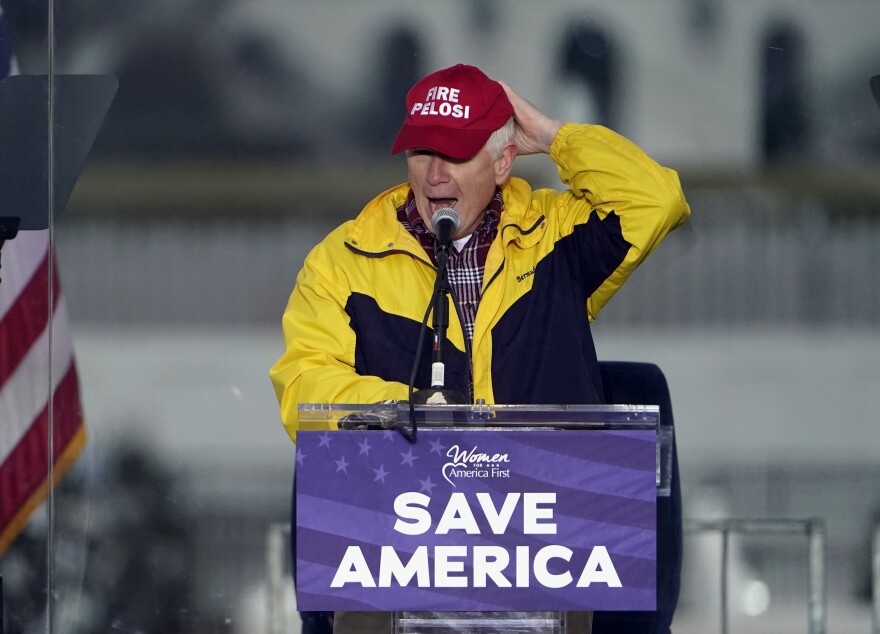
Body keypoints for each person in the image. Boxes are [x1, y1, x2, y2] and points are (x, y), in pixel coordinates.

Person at [270, 63, 690, 634]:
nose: (435, 174)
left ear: (502, 160)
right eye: (421, 151)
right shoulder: (344, 261)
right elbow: (303, 387)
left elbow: (656, 201)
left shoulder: (555, 238)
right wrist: (412, 414)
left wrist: (556, 136)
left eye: (458, 153)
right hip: (406, 559)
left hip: (555, 558)